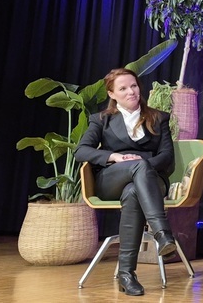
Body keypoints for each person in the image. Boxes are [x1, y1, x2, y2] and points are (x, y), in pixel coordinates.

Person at [75, 68, 177, 297]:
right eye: (123, 88)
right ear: (112, 94)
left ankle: (127, 275)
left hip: (151, 181)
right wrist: (115, 157)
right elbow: (81, 151)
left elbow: (168, 158)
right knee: (137, 166)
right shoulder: (101, 120)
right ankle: (162, 233)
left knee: (133, 191)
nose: (131, 91)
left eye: (133, 85)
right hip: (112, 179)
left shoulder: (158, 117)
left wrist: (142, 163)